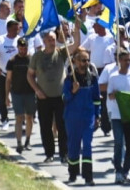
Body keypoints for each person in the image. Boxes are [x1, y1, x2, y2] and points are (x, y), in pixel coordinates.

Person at [28, 27, 80, 164]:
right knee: (45, 126)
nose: (52, 42)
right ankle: (49, 153)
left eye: (54, 39)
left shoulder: (61, 53)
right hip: (43, 97)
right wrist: (37, 90)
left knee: (62, 126)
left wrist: (77, 29)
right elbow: (30, 75)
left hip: (60, 96)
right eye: (49, 40)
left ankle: (64, 153)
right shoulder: (37, 56)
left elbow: (76, 44)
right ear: (44, 41)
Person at [63, 48, 101, 186]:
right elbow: (64, 97)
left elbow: (97, 98)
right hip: (72, 117)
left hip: (88, 117)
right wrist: (72, 91)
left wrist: (97, 115)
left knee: (87, 145)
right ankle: (73, 173)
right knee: (73, 146)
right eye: (83, 60)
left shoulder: (93, 78)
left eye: (87, 60)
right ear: (75, 62)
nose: (86, 63)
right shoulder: (69, 79)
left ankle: (88, 176)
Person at [107, 50, 130, 185]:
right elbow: (109, 95)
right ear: (119, 61)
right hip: (117, 115)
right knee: (118, 143)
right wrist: (116, 94)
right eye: (125, 60)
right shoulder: (113, 77)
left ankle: (126, 170)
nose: (127, 63)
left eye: (129, 60)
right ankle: (118, 170)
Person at [6, 36, 36, 153]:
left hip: (30, 93)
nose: (23, 50)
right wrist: (6, 96)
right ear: (17, 48)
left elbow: (37, 76)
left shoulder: (32, 60)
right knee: (19, 117)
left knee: (29, 117)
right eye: (21, 48)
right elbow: (8, 79)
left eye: (25, 48)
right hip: (17, 93)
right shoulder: (12, 61)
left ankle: (27, 140)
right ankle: (19, 142)